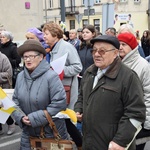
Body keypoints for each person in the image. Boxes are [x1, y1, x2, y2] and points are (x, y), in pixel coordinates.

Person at [74, 35, 146, 150]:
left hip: (112, 145)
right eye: (94, 50)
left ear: (115, 53)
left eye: (102, 51)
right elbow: (81, 95)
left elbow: (136, 113)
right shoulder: (89, 72)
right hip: (90, 142)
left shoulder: (128, 77)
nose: (97, 54)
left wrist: (120, 142)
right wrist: (79, 109)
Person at [11, 39, 68, 150]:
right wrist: (21, 117)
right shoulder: (20, 76)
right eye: (25, 57)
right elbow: (15, 101)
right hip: (28, 133)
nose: (27, 59)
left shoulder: (51, 76)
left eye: (31, 56)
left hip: (50, 133)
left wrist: (33, 118)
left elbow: (60, 102)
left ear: (41, 57)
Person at [42, 22, 83, 149]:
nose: (44, 36)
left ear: (55, 34)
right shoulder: (51, 48)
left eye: (46, 34)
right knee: (60, 120)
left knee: (64, 119)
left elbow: (77, 67)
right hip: (54, 89)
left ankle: (80, 144)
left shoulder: (66, 47)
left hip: (65, 90)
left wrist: (60, 70)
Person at [117, 32, 150, 150]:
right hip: (118, 118)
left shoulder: (143, 65)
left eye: (124, 44)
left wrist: (147, 122)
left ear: (132, 47)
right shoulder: (114, 63)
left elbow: (148, 94)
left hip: (137, 119)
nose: (120, 47)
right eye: (118, 44)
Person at [0, 52, 15, 135]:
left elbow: (9, 74)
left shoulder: (3, 58)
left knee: (3, 108)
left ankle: (11, 123)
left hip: (3, 88)